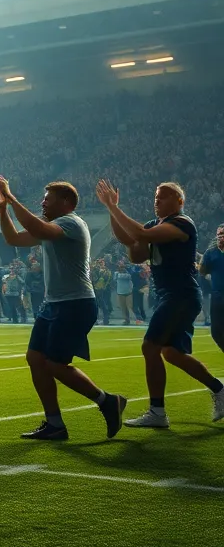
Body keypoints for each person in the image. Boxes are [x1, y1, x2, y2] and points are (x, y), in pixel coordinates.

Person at [0, 176, 126, 440]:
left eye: (47, 199)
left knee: (54, 364)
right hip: (54, 303)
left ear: (65, 202)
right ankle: (55, 423)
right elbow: (13, 239)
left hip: (75, 303)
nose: (42, 203)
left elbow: (38, 230)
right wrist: (2, 209)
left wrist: (12, 198)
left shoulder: (71, 223)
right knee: (35, 359)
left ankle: (107, 401)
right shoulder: (54, 225)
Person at [96, 181, 224, 427]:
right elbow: (134, 249)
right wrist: (112, 209)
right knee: (172, 353)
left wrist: (115, 209)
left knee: (150, 346)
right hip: (172, 295)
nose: (157, 201)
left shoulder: (181, 222)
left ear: (179, 201)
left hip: (180, 294)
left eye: (164, 197)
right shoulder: (154, 225)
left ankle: (157, 412)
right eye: (156, 197)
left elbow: (140, 236)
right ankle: (219, 389)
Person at [199, 226, 224, 352]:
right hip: (217, 295)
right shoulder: (211, 252)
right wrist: (208, 275)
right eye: (218, 234)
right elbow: (202, 270)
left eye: (223, 234)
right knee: (216, 332)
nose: (220, 236)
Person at [114, 260, 134, 325]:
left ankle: (134, 319)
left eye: (123, 267)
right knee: (123, 307)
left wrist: (125, 272)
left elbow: (130, 277)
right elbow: (115, 278)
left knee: (129, 306)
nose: (122, 268)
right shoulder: (116, 273)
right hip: (120, 292)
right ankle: (126, 320)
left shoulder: (129, 273)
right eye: (120, 266)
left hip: (128, 292)